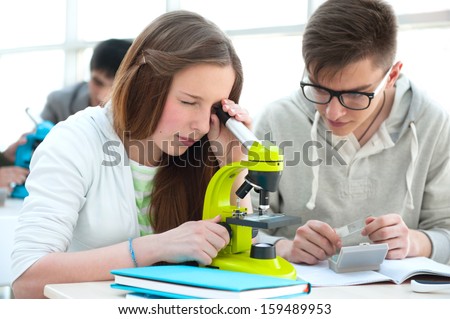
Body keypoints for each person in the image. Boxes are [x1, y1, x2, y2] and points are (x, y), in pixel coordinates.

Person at [11, 10, 251, 298]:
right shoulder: (74, 141)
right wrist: (156, 247)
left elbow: (237, 258)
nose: (200, 125)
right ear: (145, 85)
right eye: (188, 102)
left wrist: (234, 167)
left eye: (213, 108)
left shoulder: (207, 144)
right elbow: (27, 280)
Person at [253, 0, 450, 266]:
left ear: (392, 75)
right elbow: (243, 228)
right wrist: (285, 248)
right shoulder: (277, 120)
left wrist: (414, 242)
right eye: (319, 89)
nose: (333, 112)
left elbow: (445, 231)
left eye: (355, 95)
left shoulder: (433, 123)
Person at [40, 38, 132, 124]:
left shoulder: (138, 114)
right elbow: (38, 138)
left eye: (114, 89)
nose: (101, 96)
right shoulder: (58, 103)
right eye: (97, 82)